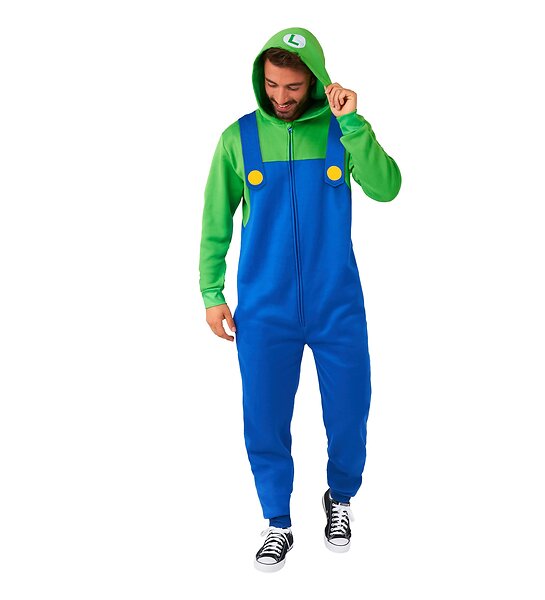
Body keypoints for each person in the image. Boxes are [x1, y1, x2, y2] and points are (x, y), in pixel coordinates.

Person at [199, 26, 401, 572]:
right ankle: (277, 521)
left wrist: (354, 123)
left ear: (314, 80)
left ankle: (341, 498)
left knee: (350, 411)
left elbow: (387, 187)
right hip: (265, 310)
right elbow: (215, 222)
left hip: (337, 304)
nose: (281, 98)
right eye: (271, 85)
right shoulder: (238, 139)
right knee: (263, 418)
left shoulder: (341, 131)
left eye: (292, 87)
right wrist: (212, 292)